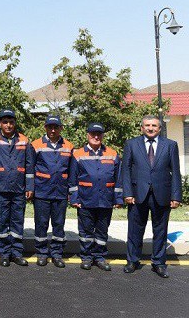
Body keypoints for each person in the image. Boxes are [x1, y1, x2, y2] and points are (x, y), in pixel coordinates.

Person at [122, 116, 182, 278]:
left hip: (162, 194)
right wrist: (127, 193)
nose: (150, 128)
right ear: (141, 128)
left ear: (159, 128)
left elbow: (175, 171)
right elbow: (125, 170)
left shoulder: (170, 145)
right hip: (136, 195)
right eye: (147, 125)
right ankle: (133, 261)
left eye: (154, 125)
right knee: (134, 231)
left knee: (161, 231)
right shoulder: (131, 144)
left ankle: (159, 263)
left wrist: (176, 196)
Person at [69, 123, 123, 271]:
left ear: (103, 136)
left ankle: (99, 257)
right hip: (85, 200)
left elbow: (118, 178)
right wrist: (74, 198)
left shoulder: (112, 154)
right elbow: (72, 179)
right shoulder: (78, 154)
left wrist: (118, 198)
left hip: (105, 200)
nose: (96, 137)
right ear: (87, 135)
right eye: (93, 134)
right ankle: (86, 257)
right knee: (86, 231)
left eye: (99, 134)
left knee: (102, 231)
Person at [0, 108, 34, 267]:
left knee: (17, 222)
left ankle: (17, 253)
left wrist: (30, 186)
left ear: (15, 123)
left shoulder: (24, 140)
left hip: (19, 188)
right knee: (1, 222)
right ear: (0, 123)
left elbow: (29, 165)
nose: (8, 125)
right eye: (5, 122)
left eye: (11, 122)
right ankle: (4, 253)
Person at [30, 115, 73, 268]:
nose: (53, 130)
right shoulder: (35, 145)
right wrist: (30, 189)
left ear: (61, 128)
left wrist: (71, 192)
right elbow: (30, 168)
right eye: (50, 127)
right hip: (42, 191)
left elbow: (72, 171)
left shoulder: (69, 146)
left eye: (56, 127)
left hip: (60, 192)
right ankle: (41, 253)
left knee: (58, 224)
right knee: (41, 224)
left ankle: (56, 254)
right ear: (45, 127)